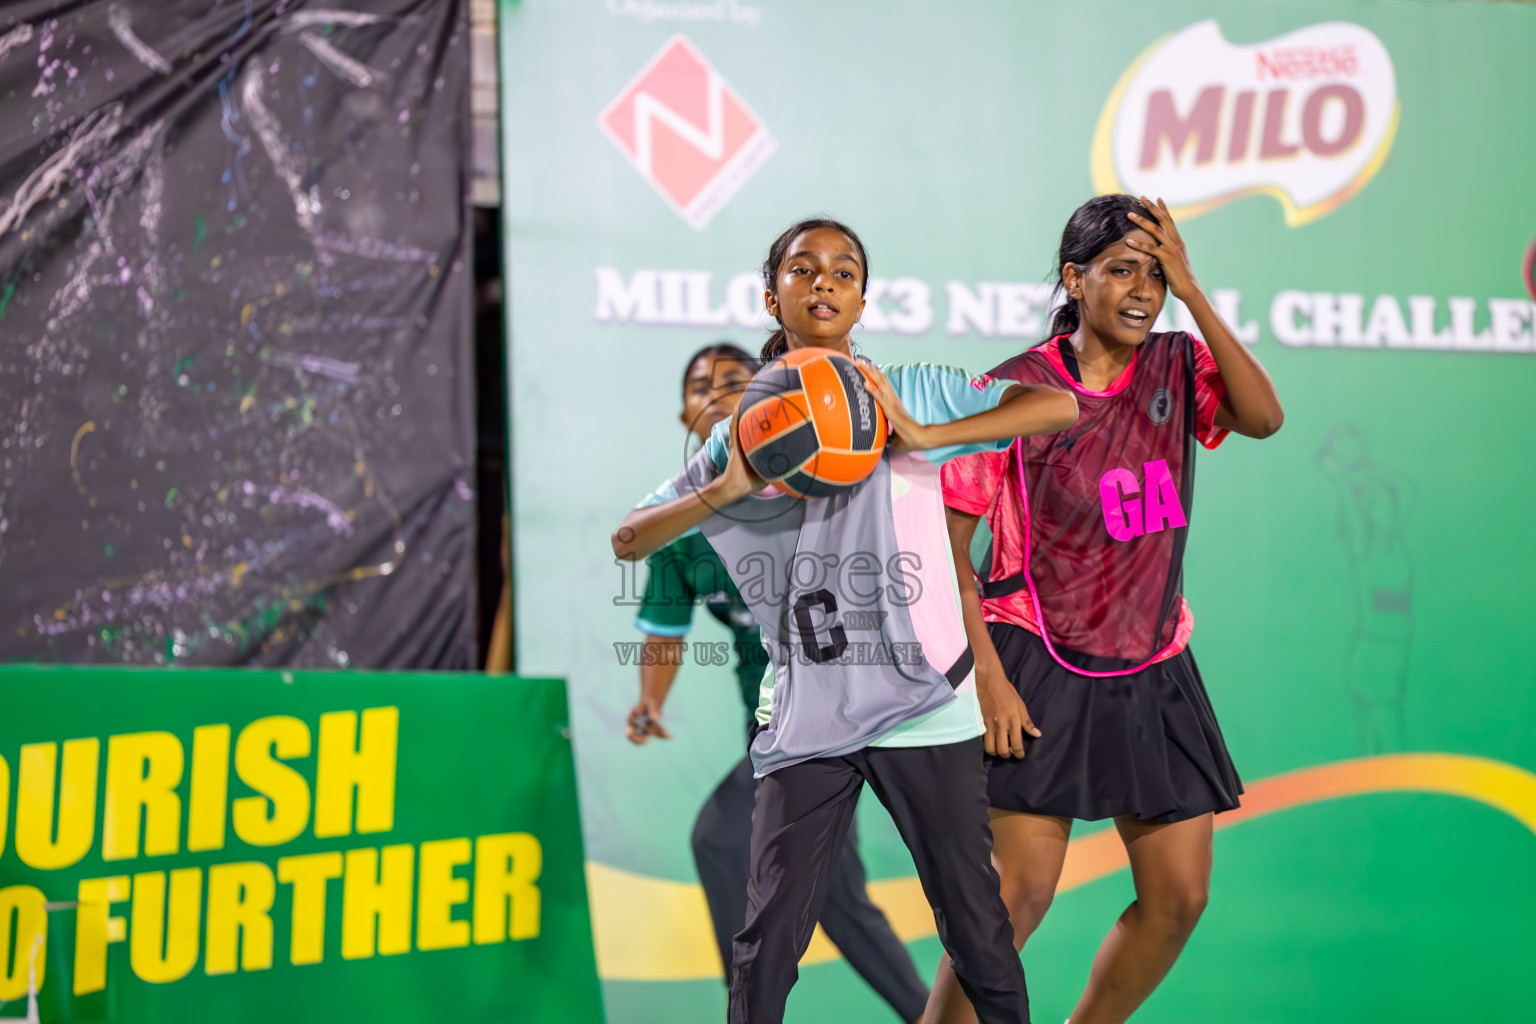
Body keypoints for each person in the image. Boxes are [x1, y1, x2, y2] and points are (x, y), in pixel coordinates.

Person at [612, 217, 1078, 1024]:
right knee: (767, 945)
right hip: (808, 717)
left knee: (977, 930)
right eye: (803, 269)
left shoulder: (911, 388)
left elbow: (1056, 406)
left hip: (924, 708)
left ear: (863, 297)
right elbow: (629, 537)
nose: (823, 281)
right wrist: (720, 492)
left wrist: (930, 434)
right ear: (774, 294)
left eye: (843, 271)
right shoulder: (738, 438)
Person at [923, 194, 1285, 1024]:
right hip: (1037, 664)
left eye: (1155, 275)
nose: (1141, 291)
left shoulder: (1176, 364)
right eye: (1122, 270)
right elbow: (949, 552)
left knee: (1179, 899)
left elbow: (1264, 417)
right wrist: (986, 679)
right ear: (1073, 279)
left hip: (1154, 665)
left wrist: (1195, 295)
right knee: (1015, 899)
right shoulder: (1018, 389)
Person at [626, 342, 930, 1023]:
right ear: (684, 411)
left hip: (838, 717)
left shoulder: (816, 478)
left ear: (765, 398)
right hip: (770, 726)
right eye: (699, 382)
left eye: (734, 379)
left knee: (718, 838)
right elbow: (663, 633)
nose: (715, 389)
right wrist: (650, 701)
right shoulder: (680, 524)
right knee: (840, 899)